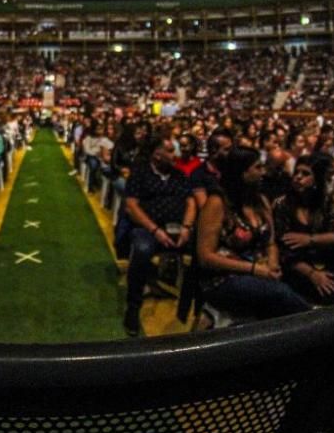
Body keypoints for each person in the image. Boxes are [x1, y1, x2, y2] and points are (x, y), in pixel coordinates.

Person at [196, 147, 311, 321]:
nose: (263, 172)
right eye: (258, 167)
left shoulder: (260, 200)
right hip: (224, 277)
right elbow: (205, 257)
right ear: (242, 173)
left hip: (260, 268)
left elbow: (271, 242)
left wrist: (272, 263)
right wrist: (254, 269)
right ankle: (317, 325)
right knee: (279, 293)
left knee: (292, 282)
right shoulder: (218, 203)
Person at [122, 136, 197, 337]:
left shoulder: (179, 176)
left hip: (177, 229)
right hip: (148, 229)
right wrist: (155, 230)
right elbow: (131, 206)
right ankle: (133, 305)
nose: (177, 155)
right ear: (157, 154)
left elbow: (190, 203)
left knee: (202, 251)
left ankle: (190, 308)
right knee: (143, 249)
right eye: (172, 151)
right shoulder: (140, 174)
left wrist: (187, 227)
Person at [273, 154, 334, 304]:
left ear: (317, 179)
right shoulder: (282, 205)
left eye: (305, 174)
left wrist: (310, 240)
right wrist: (312, 274)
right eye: (296, 172)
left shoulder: (327, 201)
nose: (298, 177)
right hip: (299, 264)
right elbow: (285, 251)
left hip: (325, 256)